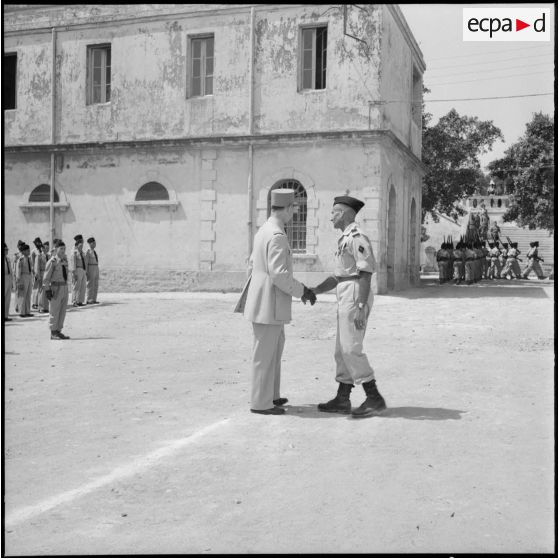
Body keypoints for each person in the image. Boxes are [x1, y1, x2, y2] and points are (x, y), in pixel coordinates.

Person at [309, 195, 386, 419]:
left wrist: (361, 305)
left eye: (333, 213)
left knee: (351, 347)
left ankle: (374, 397)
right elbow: (337, 276)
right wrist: (314, 290)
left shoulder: (357, 237)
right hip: (345, 291)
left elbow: (365, 272)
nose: (330, 217)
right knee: (341, 349)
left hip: (354, 294)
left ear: (342, 213)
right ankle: (343, 398)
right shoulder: (344, 239)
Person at [242, 189, 316, 415]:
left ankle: (271, 396)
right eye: (294, 207)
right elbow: (279, 275)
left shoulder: (264, 230)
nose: (295, 211)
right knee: (264, 355)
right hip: (269, 303)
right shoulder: (277, 236)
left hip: (266, 302)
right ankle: (261, 403)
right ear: (285, 208)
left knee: (272, 351)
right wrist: (302, 291)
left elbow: (253, 264)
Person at [43, 240, 70, 340]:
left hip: (64, 288)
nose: (63, 251)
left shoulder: (64, 261)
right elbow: (46, 278)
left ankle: (58, 331)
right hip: (56, 288)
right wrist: (47, 290)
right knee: (54, 311)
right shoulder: (52, 262)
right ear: (56, 249)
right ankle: (53, 332)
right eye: (61, 249)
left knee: (62, 311)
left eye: (64, 249)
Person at [15, 243, 34, 317]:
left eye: (29, 250)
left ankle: (27, 311)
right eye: (27, 250)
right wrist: (18, 280)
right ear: (24, 251)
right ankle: (22, 312)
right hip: (23, 276)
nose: (29, 251)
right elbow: (18, 270)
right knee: (22, 295)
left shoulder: (29, 258)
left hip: (29, 276)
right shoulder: (21, 259)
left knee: (28, 295)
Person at [71, 234, 87, 307]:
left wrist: (85, 271)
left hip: (83, 270)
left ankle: (80, 301)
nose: (82, 246)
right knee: (76, 286)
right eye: (80, 245)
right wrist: (74, 273)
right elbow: (73, 263)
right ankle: (75, 301)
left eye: (82, 245)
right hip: (77, 269)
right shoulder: (74, 252)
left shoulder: (82, 252)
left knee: (83, 286)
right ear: (77, 245)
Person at [34, 242, 49, 313]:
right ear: (42, 248)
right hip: (42, 274)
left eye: (48, 248)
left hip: (47, 275)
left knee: (47, 291)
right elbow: (37, 267)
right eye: (46, 248)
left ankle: (46, 307)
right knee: (41, 291)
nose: (47, 249)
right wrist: (38, 277)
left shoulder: (48, 256)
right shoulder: (39, 256)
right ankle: (41, 307)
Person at [85, 237, 100, 304]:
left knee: (95, 284)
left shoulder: (94, 252)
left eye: (95, 243)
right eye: (93, 243)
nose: (94, 244)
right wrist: (86, 271)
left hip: (96, 267)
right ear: (90, 244)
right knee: (90, 284)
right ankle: (89, 299)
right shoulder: (88, 252)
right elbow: (86, 262)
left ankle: (94, 299)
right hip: (90, 267)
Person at [31, 237, 43, 309]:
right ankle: (34, 303)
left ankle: (39, 302)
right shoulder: (33, 251)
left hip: (41, 271)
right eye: (37, 243)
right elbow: (32, 263)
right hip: (36, 271)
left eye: (39, 242)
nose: (39, 244)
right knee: (35, 287)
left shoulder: (40, 250)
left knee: (40, 288)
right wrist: (34, 272)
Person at [4, 243, 13, 321]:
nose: (6, 251)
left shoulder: (8, 259)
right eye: (5, 250)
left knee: (7, 298)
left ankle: (5, 316)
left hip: (8, 278)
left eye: (7, 250)